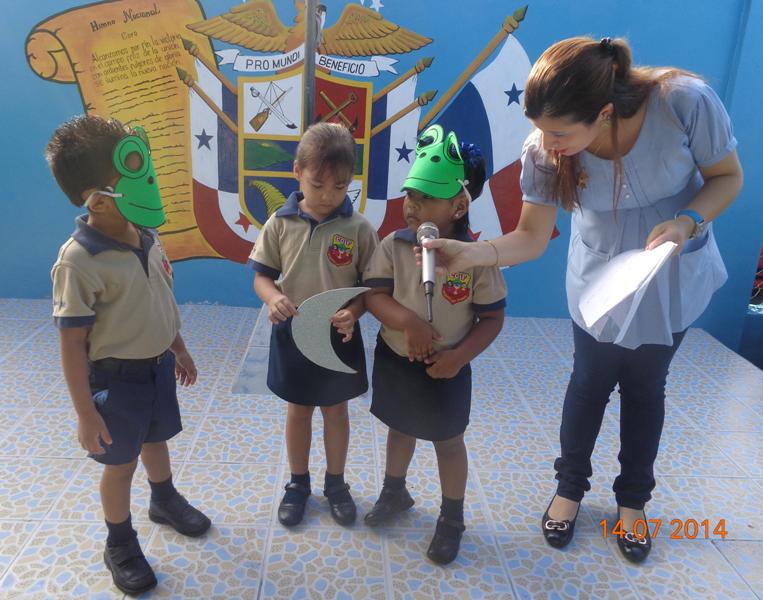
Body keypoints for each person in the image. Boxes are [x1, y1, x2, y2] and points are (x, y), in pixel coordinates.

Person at [420, 36, 743, 562]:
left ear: (605, 112)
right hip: (600, 277)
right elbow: (529, 237)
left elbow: (727, 177)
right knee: (590, 381)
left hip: (672, 270)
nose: (547, 142)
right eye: (540, 128)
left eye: (559, 132)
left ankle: (633, 502)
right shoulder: (546, 151)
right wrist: (472, 254)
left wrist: (688, 220)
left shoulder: (684, 102)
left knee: (646, 386)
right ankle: (569, 489)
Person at [47, 115, 211, 595]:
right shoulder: (79, 261)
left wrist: (178, 347)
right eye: (133, 172)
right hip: (115, 381)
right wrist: (85, 413)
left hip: (158, 368)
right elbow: (71, 343)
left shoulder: (148, 237)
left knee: (157, 440)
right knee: (120, 466)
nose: (150, 181)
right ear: (98, 199)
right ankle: (119, 542)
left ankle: (164, 498)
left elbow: (161, 300)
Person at [362, 125, 506, 564]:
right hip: (396, 358)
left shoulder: (477, 258)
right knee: (399, 427)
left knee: (448, 442)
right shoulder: (393, 245)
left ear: (459, 205)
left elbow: (492, 318)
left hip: (448, 368)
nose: (411, 206)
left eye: (425, 198)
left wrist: (459, 357)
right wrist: (408, 322)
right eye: (410, 195)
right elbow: (374, 296)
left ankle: (452, 518)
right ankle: (395, 491)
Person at [250, 122, 379, 528]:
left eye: (339, 187)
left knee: (336, 410)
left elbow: (370, 290)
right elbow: (262, 277)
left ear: (351, 181)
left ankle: (336, 484)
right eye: (317, 184)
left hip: (338, 336)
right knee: (299, 410)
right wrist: (273, 298)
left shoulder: (359, 229)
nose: (327, 195)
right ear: (297, 172)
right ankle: (298, 483)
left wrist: (354, 313)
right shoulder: (279, 223)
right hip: (293, 334)